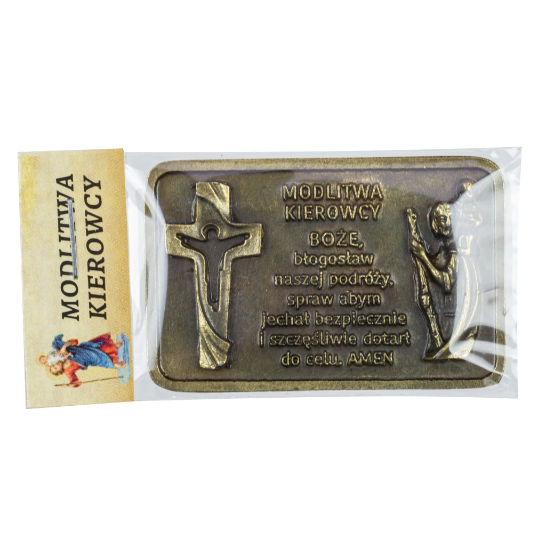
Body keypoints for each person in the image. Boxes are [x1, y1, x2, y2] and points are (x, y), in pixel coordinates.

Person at [40, 333, 125, 388]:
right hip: (90, 359)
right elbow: (77, 382)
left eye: (53, 365)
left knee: (101, 346)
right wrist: (69, 385)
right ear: (59, 371)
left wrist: (64, 347)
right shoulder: (68, 372)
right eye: (55, 368)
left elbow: (74, 341)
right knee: (99, 358)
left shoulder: (60, 354)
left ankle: (115, 346)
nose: (56, 365)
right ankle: (114, 363)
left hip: (85, 348)